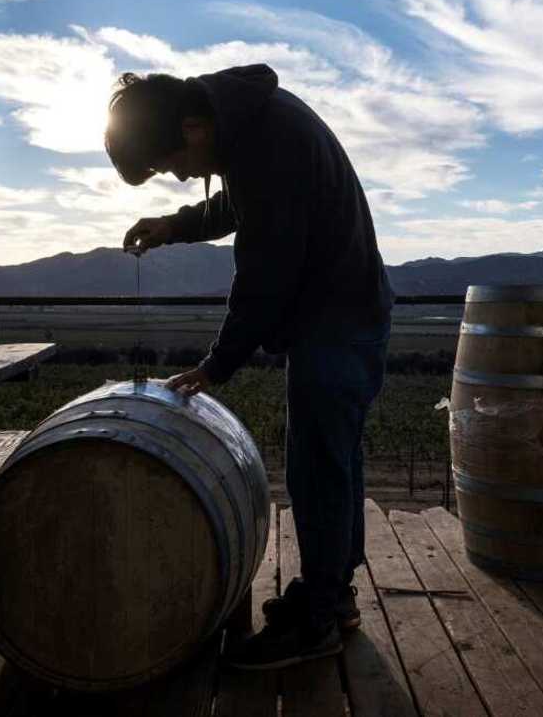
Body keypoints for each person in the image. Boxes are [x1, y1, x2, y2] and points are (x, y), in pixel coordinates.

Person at [105, 64, 393, 669]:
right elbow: (242, 206)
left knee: (320, 472)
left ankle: (318, 624)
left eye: (169, 165)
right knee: (334, 465)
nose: (179, 175)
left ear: (192, 128)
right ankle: (331, 597)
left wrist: (216, 365)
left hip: (336, 322)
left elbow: (265, 276)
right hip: (341, 316)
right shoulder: (249, 125)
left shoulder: (268, 143)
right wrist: (175, 225)